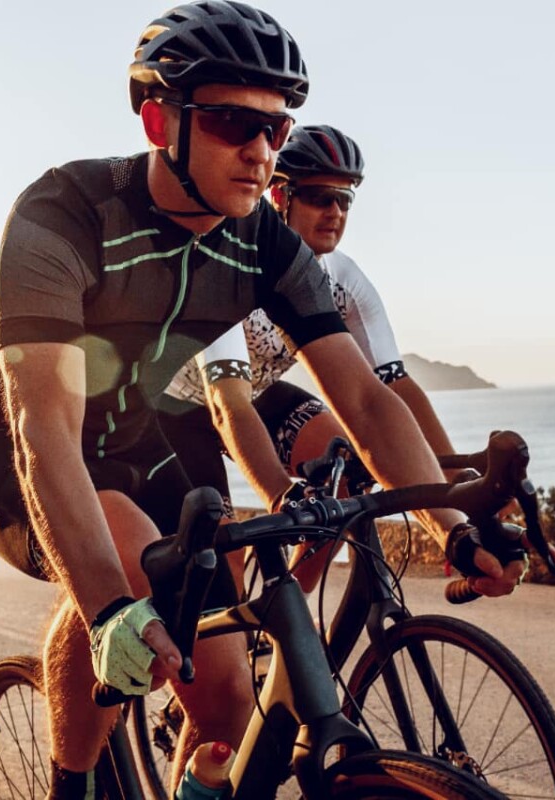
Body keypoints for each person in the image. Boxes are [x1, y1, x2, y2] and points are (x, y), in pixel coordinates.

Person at [0, 3, 525, 797]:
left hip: (134, 441)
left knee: (224, 701)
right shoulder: (65, 214)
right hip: (5, 443)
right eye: (228, 123)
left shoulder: (263, 243)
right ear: (157, 120)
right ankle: (70, 786)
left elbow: (362, 393)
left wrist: (452, 528)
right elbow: (43, 425)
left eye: (275, 130)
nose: (258, 152)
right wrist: (109, 606)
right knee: (125, 565)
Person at [157, 123, 457, 588]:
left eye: (346, 200)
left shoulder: (343, 280)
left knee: (345, 470)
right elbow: (227, 405)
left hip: (254, 393)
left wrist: (456, 497)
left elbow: (391, 388)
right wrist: (281, 495)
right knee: (217, 563)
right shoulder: (229, 261)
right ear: (281, 197)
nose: (335, 212)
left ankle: (287, 609)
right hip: (177, 407)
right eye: (320, 197)